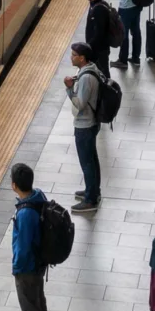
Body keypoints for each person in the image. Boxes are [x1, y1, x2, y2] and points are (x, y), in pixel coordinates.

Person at [9, 162, 47, 311]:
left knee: (30, 307)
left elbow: (23, 247)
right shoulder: (38, 197)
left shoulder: (24, 213)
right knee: (39, 301)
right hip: (39, 263)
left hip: (28, 268)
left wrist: (17, 268)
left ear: (14, 185)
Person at [65, 42, 102, 214]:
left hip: (85, 125)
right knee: (92, 160)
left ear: (82, 58)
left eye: (73, 55)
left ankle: (90, 200)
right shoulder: (90, 70)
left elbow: (79, 104)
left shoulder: (86, 77)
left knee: (87, 163)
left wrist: (69, 88)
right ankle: (93, 190)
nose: (71, 57)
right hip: (90, 123)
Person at [84, 0, 111, 78]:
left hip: (99, 50)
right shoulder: (95, 4)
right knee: (98, 73)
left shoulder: (99, 9)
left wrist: (88, 45)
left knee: (103, 73)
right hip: (97, 48)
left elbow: (99, 33)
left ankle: (108, 91)